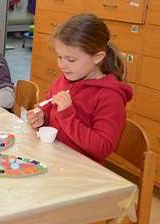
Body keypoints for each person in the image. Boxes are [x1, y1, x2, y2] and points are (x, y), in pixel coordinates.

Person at [27, 13, 133, 163]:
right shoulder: (64, 79)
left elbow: (102, 148)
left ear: (97, 57)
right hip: (54, 158)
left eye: (71, 59)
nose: (62, 65)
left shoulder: (110, 96)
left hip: (82, 170)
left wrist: (67, 115)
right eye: (59, 57)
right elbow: (49, 110)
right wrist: (42, 117)